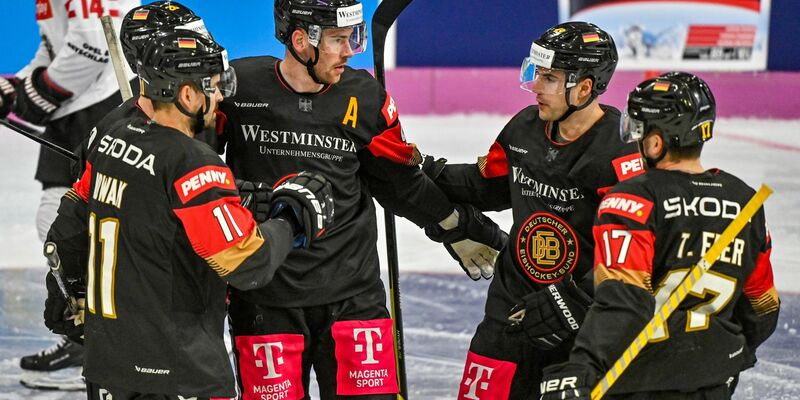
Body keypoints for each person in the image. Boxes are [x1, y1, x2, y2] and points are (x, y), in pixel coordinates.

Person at [215, 0, 507, 398]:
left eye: (354, 36)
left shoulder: (365, 98)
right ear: (301, 40)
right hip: (264, 297)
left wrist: (452, 225)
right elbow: (189, 161)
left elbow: (399, 184)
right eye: (338, 39)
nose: (351, 50)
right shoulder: (237, 88)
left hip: (352, 298)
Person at [44, 30, 336, 399]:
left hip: (110, 362)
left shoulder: (109, 136)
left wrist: (61, 286)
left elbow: (72, 218)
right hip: (177, 368)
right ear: (186, 95)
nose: (218, 97)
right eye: (212, 87)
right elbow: (246, 262)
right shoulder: (191, 161)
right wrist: (291, 217)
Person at [419, 22, 644, 399]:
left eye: (551, 78)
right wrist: (424, 172)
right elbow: (486, 185)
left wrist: (576, 298)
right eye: (536, 73)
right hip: (511, 310)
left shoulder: (620, 152)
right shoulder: (524, 128)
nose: (537, 86)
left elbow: (634, 248)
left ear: (585, 87)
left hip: (581, 324)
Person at [538, 72, 780, 400]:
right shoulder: (745, 201)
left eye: (637, 130)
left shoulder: (633, 198)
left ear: (655, 142)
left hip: (639, 381)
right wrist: (719, 355)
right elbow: (762, 307)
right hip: (713, 380)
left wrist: (583, 368)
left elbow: (624, 302)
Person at [0, 0, 140, 373]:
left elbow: (92, 46)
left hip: (99, 102)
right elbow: (54, 46)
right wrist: (18, 87)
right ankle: (97, 332)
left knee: (79, 222)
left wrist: (35, 95)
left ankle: (107, 335)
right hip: (81, 104)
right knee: (66, 219)